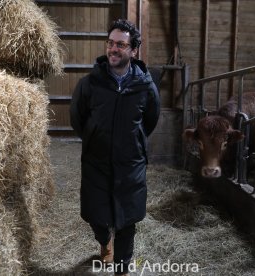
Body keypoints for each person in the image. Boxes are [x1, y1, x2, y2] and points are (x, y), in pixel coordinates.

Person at [69, 19, 160, 276]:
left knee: (127, 220)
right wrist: (96, 137)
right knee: (95, 215)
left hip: (130, 165)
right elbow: (78, 119)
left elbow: (150, 121)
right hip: (96, 162)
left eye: (121, 44)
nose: (113, 49)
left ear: (133, 51)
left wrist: (132, 144)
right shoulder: (90, 84)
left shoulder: (145, 87)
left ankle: (122, 268)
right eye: (110, 43)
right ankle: (103, 241)